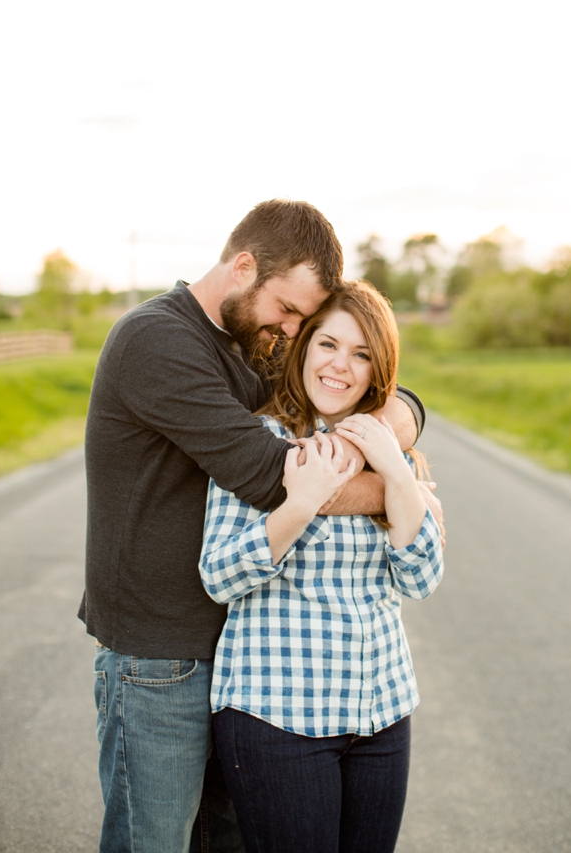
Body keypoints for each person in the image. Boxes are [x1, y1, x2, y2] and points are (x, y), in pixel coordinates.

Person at [81, 199, 438, 853]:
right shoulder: (157, 340)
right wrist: (396, 487)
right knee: (152, 842)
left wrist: (392, 434)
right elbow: (269, 471)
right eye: (290, 310)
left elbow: (382, 392)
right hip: (162, 655)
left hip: (240, 660)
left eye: (305, 318)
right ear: (243, 267)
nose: (295, 329)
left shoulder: (256, 338)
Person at [201, 280, 442, 853]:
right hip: (277, 716)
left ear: (378, 369)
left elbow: (422, 578)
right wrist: (302, 502)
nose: (341, 366)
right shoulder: (260, 441)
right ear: (304, 346)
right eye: (329, 344)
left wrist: (397, 472)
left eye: (361, 354)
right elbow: (219, 575)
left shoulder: (391, 453)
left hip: (382, 711)